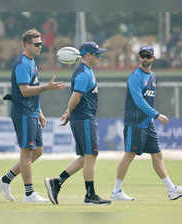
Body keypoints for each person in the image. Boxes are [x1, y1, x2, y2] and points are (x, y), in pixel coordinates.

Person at [110, 46, 182, 201]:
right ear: (139, 58)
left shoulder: (153, 77)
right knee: (129, 155)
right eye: (142, 56)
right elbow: (139, 101)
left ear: (153, 58)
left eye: (148, 56)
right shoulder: (135, 77)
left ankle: (171, 190)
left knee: (157, 155)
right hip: (135, 123)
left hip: (147, 123)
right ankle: (116, 191)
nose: (145, 59)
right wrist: (156, 114)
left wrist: (152, 117)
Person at [0, 28, 65, 203]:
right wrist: (47, 88)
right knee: (26, 153)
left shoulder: (32, 62)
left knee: (37, 151)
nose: (40, 46)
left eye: (41, 43)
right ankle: (29, 193)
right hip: (23, 112)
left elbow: (33, 90)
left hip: (32, 112)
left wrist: (40, 111)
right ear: (26, 45)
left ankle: (5, 180)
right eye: (37, 44)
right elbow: (25, 91)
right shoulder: (22, 63)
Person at [44, 42, 111, 206]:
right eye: (97, 54)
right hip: (84, 118)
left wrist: (69, 113)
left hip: (83, 118)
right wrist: (68, 112)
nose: (99, 57)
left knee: (85, 157)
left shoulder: (86, 71)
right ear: (88, 55)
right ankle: (90, 195)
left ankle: (57, 182)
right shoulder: (83, 73)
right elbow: (76, 96)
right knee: (91, 155)